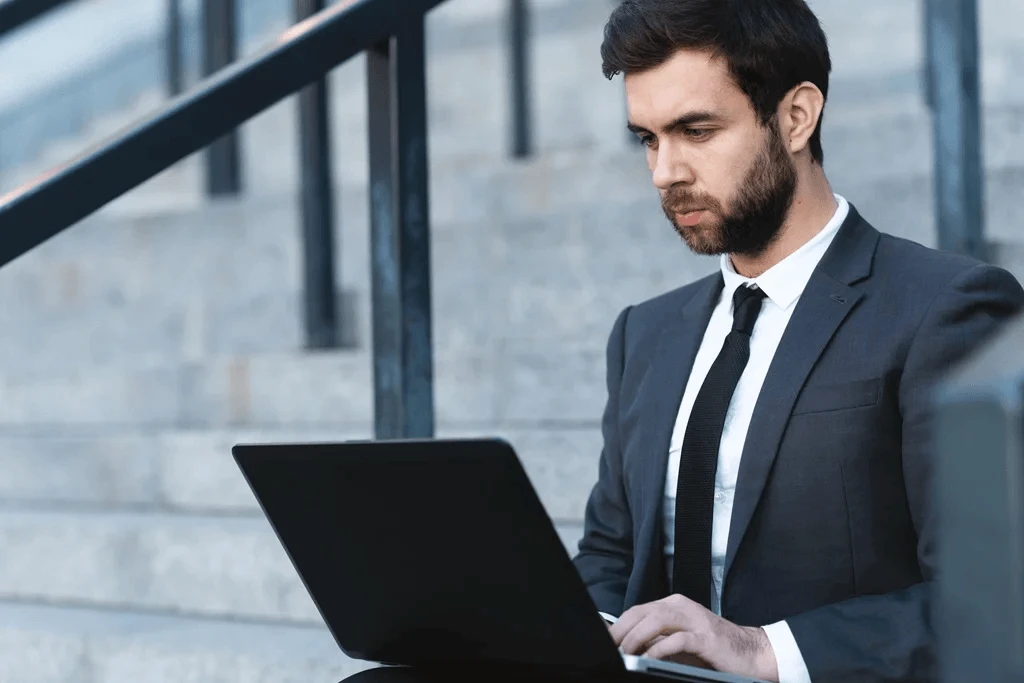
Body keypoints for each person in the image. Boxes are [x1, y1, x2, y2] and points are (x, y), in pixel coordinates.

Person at [572, 1, 1024, 682]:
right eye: (648, 138)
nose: (665, 171)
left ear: (796, 116)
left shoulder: (947, 309)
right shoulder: (645, 333)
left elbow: (997, 601)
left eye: (696, 130)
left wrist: (762, 650)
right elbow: (609, 557)